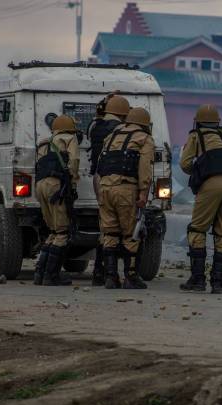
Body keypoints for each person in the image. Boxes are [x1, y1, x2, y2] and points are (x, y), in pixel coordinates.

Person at [179, 104, 222, 294]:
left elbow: (185, 164)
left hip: (211, 184)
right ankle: (218, 283)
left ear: (198, 121)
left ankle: (198, 279)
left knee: (197, 229)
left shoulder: (196, 136)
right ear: (218, 121)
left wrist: (201, 168)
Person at [97, 107, 154, 290]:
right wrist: (144, 192)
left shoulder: (111, 136)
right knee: (131, 234)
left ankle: (110, 277)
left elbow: (100, 165)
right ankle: (130, 277)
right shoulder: (144, 139)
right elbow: (145, 168)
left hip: (105, 189)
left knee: (110, 233)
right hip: (126, 189)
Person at [88, 94, 130, 286]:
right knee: (121, 229)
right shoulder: (120, 129)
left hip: (98, 178)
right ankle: (116, 273)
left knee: (104, 226)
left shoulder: (95, 126)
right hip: (116, 178)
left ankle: (100, 271)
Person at [34, 115, 80, 286]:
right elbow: (74, 161)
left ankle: (39, 274)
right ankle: (51, 275)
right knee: (62, 232)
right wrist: (73, 183)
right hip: (56, 186)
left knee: (53, 231)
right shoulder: (70, 138)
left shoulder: (44, 143)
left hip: (40, 186)